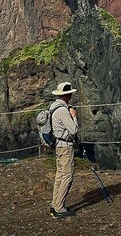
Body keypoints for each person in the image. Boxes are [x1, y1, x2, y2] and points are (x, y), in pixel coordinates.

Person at [49, 81, 79, 219]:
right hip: (65, 146)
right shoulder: (62, 110)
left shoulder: (53, 107)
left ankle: (55, 204)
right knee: (67, 175)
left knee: (60, 175)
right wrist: (74, 116)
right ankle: (59, 208)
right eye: (70, 94)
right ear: (66, 96)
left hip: (58, 145)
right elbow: (73, 130)